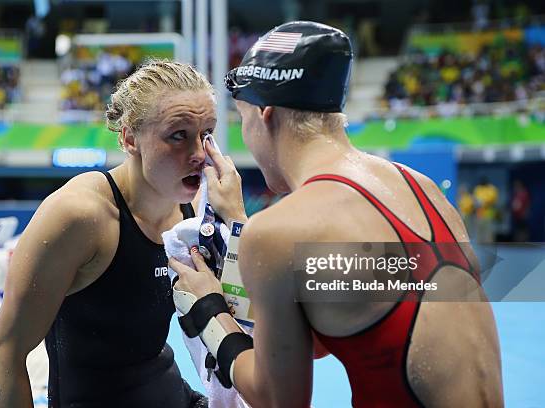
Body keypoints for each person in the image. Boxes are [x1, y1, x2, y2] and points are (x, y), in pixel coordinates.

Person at [171, 21, 503, 408]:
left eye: (242, 118)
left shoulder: (281, 230)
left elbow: (278, 401)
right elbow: (322, 332)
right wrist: (240, 229)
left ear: (265, 114)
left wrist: (209, 310)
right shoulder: (421, 188)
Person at [0, 61, 213, 407]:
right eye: (178, 135)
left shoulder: (193, 210)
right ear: (129, 138)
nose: (199, 154)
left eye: (206, 134)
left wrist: (236, 224)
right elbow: (2, 356)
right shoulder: (80, 216)